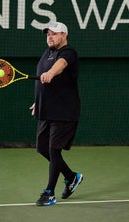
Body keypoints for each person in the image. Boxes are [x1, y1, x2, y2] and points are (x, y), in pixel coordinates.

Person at [29, 21, 83, 206]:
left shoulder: (68, 53)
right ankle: (71, 177)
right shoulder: (47, 53)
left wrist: (51, 72)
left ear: (64, 35)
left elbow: (60, 65)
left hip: (64, 111)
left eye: (54, 33)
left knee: (53, 150)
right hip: (47, 109)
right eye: (48, 34)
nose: (50, 37)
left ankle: (49, 193)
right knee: (42, 148)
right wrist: (38, 101)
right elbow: (43, 84)